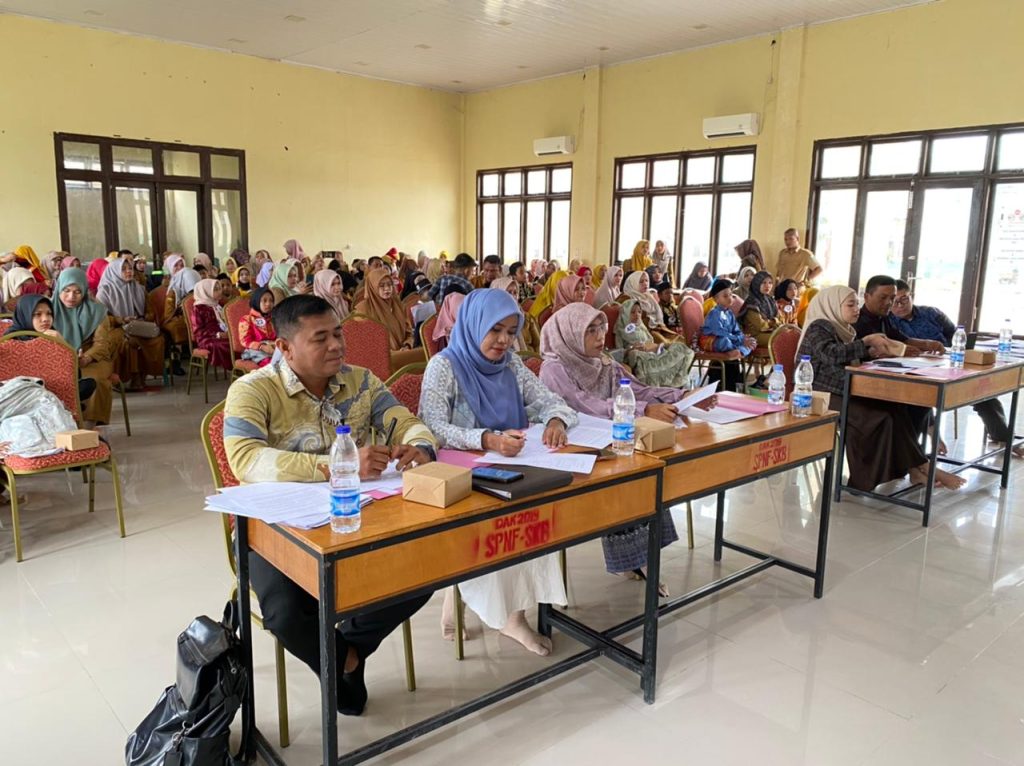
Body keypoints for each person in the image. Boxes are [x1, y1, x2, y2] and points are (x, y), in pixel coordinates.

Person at [225, 294, 437, 717]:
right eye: (320, 338)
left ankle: (346, 647)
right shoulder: (252, 390)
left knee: (428, 564)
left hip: (357, 517)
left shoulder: (361, 381)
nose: (337, 345)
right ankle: (345, 662)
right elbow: (246, 459)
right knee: (286, 614)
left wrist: (421, 446)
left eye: (337, 333)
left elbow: (404, 419)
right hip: (273, 528)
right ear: (284, 347)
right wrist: (337, 466)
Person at [418, 289, 574, 655]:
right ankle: (487, 602)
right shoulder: (444, 365)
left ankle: (511, 611)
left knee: (534, 507)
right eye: (495, 331)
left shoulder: (512, 365)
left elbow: (553, 400)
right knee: (500, 518)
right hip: (460, 475)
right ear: (473, 326)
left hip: (511, 468)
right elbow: (430, 426)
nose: (504, 340)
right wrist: (484, 439)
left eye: (510, 331)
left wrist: (554, 420)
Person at [539, 303, 694, 592]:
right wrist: (646, 410)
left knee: (646, 468)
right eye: (591, 330)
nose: (600, 337)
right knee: (625, 476)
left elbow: (637, 389)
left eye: (601, 329)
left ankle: (640, 557)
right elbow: (583, 406)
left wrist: (681, 395)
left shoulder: (603, 362)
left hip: (610, 441)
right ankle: (635, 559)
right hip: (572, 450)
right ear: (570, 333)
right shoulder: (554, 368)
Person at [796, 286, 965, 491]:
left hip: (846, 388)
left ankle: (914, 469)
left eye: (857, 303)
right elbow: (832, 355)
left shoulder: (843, 328)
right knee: (878, 416)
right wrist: (865, 342)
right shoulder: (819, 327)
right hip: (819, 395)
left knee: (897, 407)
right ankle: (918, 467)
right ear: (832, 306)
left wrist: (872, 354)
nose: (856, 308)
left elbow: (845, 359)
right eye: (850, 304)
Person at [890, 280, 1022, 458]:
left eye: (904, 299)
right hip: (917, 370)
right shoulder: (889, 321)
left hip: (949, 364)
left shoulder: (931, 313)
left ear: (911, 296)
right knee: (922, 394)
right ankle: (931, 438)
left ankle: (1003, 438)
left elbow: (958, 337)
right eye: (894, 301)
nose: (899, 305)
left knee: (982, 390)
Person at [51, 267, 123, 425]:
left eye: (77, 291)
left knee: (94, 380)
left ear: (84, 291)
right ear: (58, 288)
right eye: (66, 290)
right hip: (58, 361)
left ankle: (90, 426)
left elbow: (101, 344)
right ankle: (62, 425)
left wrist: (86, 358)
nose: (71, 297)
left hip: (93, 359)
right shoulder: (48, 311)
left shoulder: (97, 312)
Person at [96, 255, 164, 390]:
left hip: (138, 325)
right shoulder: (105, 291)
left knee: (158, 339)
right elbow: (102, 319)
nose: (129, 272)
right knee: (129, 342)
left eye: (130, 268)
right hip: (115, 327)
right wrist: (122, 319)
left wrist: (145, 318)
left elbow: (149, 310)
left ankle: (143, 375)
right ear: (114, 271)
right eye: (124, 269)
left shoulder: (138, 288)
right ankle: (129, 378)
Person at [855, 275, 945, 355]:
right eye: (883, 298)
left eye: (892, 298)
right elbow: (858, 353)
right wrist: (898, 351)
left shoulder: (884, 318)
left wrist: (928, 344)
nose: (888, 302)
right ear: (866, 297)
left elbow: (903, 339)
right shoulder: (855, 320)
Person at [354, 269, 423, 371]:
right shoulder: (362, 310)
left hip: (404, 352)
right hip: (380, 358)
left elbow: (409, 332)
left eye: (389, 284)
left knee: (424, 355)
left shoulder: (398, 305)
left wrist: (407, 345)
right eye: (381, 286)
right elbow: (364, 343)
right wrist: (392, 353)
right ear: (372, 287)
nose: (387, 289)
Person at [614, 299, 693, 387]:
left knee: (680, 347)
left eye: (639, 312)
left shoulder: (641, 327)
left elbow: (650, 341)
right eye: (632, 312)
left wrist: (660, 346)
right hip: (641, 356)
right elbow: (620, 353)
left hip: (655, 351)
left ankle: (674, 381)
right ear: (625, 314)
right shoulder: (620, 330)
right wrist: (631, 349)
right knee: (636, 354)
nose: (637, 315)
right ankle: (664, 382)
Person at [698, 279, 756, 391]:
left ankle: (739, 350)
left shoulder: (729, 313)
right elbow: (720, 332)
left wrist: (743, 338)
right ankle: (739, 349)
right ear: (716, 299)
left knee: (752, 341)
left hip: (728, 340)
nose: (730, 298)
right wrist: (740, 340)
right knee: (725, 341)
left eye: (730, 295)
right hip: (712, 340)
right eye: (725, 296)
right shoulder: (714, 313)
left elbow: (736, 330)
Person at [622, 271, 679, 344]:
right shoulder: (628, 299)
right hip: (644, 332)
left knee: (680, 340)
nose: (645, 283)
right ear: (634, 283)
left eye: (646, 280)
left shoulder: (649, 297)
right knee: (670, 344)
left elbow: (658, 316)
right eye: (641, 282)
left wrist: (658, 325)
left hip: (658, 328)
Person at [190, 279, 233, 372]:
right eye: (216, 289)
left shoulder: (217, 305)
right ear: (206, 291)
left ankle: (240, 368)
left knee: (237, 343)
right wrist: (218, 335)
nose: (220, 291)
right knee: (224, 345)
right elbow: (198, 331)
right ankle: (233, 368)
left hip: (222, 334)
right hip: (206, 339)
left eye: (219, 289)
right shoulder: (198, 308)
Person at [490, 276, 541, 352]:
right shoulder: (491, 321)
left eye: (515, 292)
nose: (513, 296)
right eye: (509, 292)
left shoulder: (527, 317)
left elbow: (538, 344)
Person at [739, 271, 781, 348]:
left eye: (770, 283)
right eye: (764, 283)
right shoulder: (752, 302)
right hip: (754, 335)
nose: (767, 286)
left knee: (790, 334)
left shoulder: (770, 300)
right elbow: (760, 325)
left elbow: (780, 319)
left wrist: (774, 322)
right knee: (782, 338)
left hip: (769, 332)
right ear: (757, 283)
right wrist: (773, 322)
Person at [237, 287, 276, 368]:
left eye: (271, 301)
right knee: (272, 364)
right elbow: (245, 341)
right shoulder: (247, 319)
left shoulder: (274, 318)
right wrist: (262, 346)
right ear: (256, 302)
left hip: (273, 348)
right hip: (256, 350)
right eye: (264, 300)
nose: (268, 303)